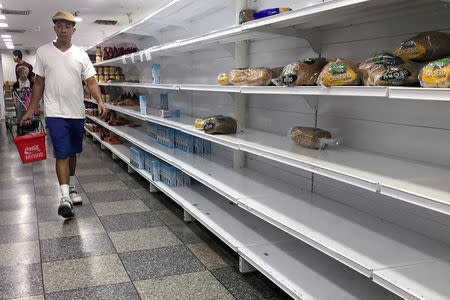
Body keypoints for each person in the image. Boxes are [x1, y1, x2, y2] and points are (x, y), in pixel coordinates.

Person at [20, 11, 106, 218]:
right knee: (61, 152)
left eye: (67, 26)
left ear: (74, 30)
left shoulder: (81, 55)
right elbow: (39, 83)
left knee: (73, 151)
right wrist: (31, 110)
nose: (63, 30)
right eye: (59, 26)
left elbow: (91, 82)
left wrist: (100, 101)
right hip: (55, 112)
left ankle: (72, 187)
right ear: (55, 28)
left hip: (76, 112)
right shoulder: (43, 52)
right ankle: (64, 197)